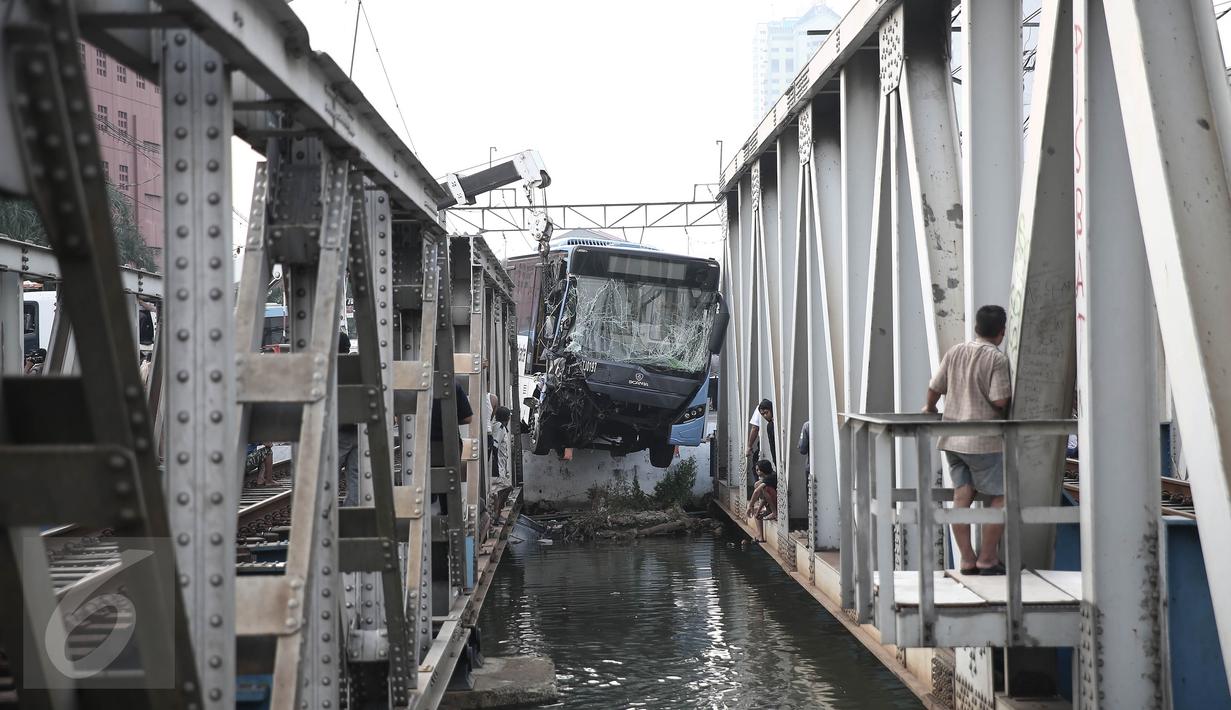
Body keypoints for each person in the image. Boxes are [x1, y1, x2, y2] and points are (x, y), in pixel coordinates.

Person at [923, 305, 1012, 576]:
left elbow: (934, 387)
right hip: (983, 443)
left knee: (961, 497)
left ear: (976, 328)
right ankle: (987, 559)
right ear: (1002, 332)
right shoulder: (997, 359)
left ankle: (966, 559)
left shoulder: (955, 351)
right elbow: (999, 400)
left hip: (952, 441)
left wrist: (929, 408)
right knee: (1002, 498)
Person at [337, 331, 361, 506]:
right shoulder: (357, 366)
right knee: (356, 474)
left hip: (339, 430)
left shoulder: (331, 367)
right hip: (359, 428)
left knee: (328, 473)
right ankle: (352, 509)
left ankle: (326, 512)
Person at [745, 399, 776, 496]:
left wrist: (749, 446)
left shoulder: (771, 425)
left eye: (766, 413)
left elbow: (755, 427)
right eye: (762, 414)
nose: (765, 416)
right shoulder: (770, 425)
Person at [745, 459, 778, 543]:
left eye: (757, 470)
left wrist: (750, 506)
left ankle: (774, 513)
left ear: (761, 470)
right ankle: (760, 536)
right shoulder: (768, 477)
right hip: (772, 502)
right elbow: (765, 498)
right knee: (756, 510)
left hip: (777, 504)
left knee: (762, 487)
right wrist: (758, 510)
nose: (756, 472)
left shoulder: (771, 477)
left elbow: (757, 491)